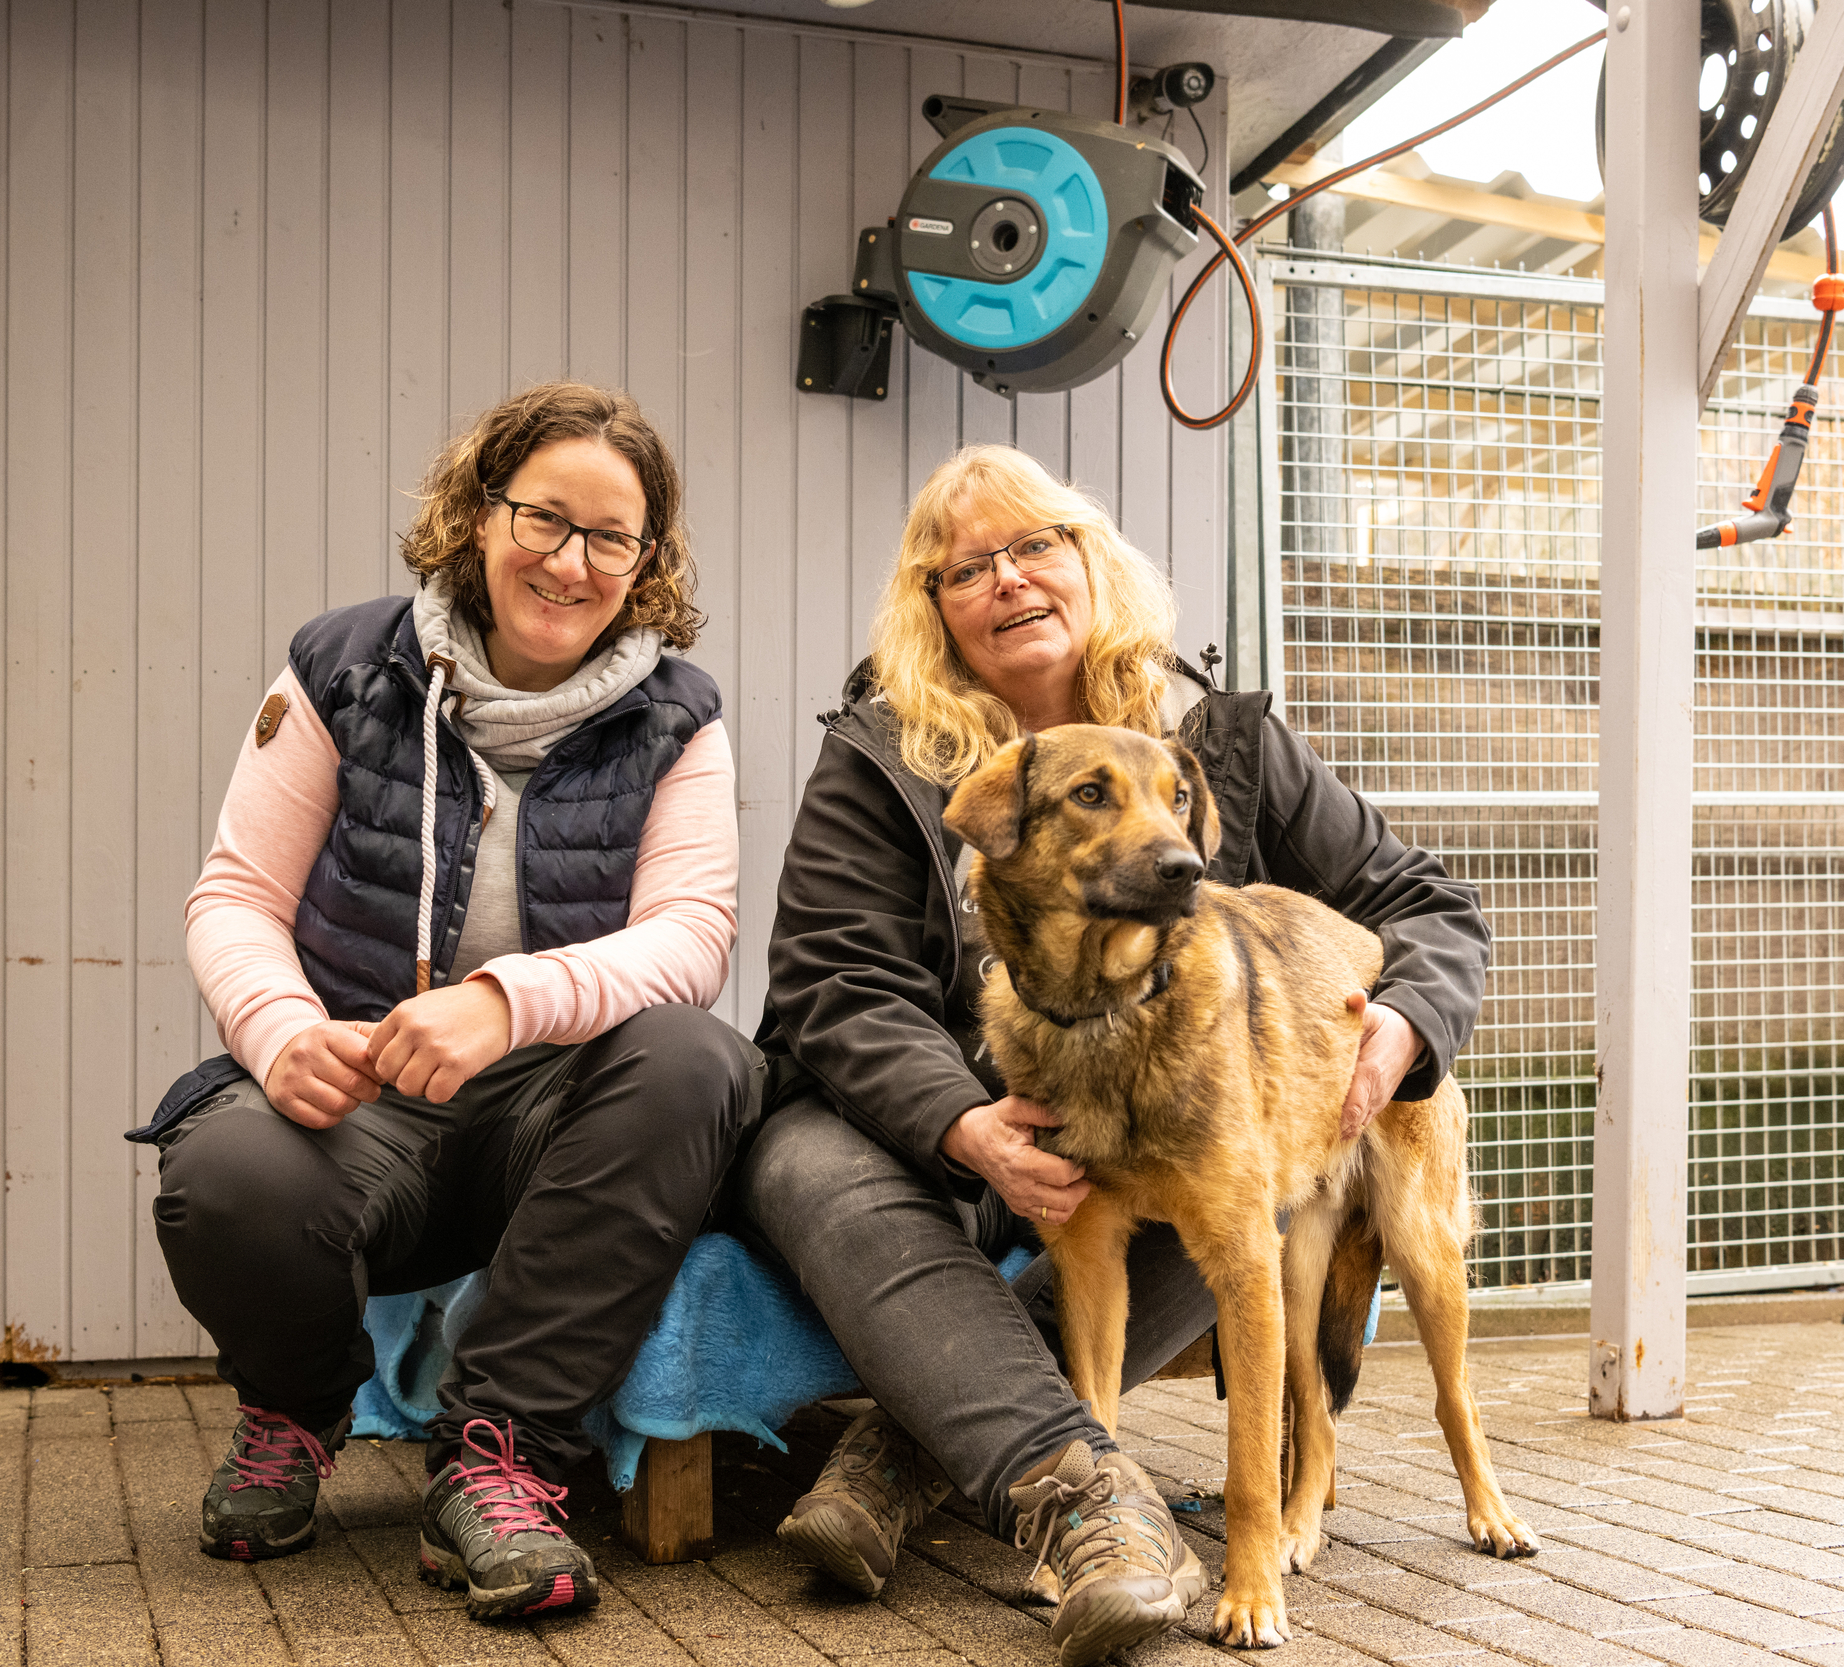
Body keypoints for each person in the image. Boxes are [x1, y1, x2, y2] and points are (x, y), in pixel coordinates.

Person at [740, 444, 1491, 1664]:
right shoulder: (886, 751)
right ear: (933, 609)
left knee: (1240, 1192)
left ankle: (909, 1465)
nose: (1009, 579)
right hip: (923, 1139)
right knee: (797, 1161)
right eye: (968, 566)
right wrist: (964, 1122)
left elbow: (1425, 905)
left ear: (1092, 562)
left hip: (1148, 1112)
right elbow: (834, 982)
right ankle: (1082, 1490)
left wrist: (1405, 1026)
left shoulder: (1218, 739)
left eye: (1038, 544)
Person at [136, 381, 761, 1626]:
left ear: (645, 563)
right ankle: (296, 1413)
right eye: (544, 518)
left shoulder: (679, 717)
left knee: (696, 1056)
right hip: (369, 1095)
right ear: (481, 514)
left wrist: (505, 1000)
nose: (570, 561)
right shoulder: (339, 667)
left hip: (559, 1122)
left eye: (610, 537)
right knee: (226, 1179)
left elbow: (693, 939)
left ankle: (503, 1457)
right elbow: (234, 896)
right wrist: (281, 1032)